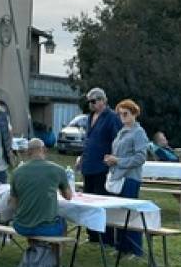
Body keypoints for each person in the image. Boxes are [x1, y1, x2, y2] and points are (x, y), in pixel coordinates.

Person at [76, 87, 122, 244]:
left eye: (94, 101)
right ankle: (92, 235)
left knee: (101, 201)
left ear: (103, 100)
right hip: (89, 165)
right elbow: (89, 140)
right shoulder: (90, 117)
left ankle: (106, 237)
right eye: (89, 102)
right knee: (88, 200)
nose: (91, 104)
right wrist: (82, 156)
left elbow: (117, 141)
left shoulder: (112, 117)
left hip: (102, 166)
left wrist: (113, 158)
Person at [104, 99, 149, 257]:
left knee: (130, 213)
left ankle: (135, 250)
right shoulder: (121, 131)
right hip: (118, 176)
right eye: (120, 114)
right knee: (119, 213)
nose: (122, 117)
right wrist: (111, 159)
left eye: (126, 113)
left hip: (130, 178)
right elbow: (120, 153)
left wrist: (118, 161)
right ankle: (121, 247)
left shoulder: (139, 132)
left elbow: (140, 158)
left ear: (134, 113)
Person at [11, 139, 72, 239]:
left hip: (21, 226)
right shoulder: (58, 170)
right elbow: (68, 197)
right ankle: (56, 253)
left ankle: (35, 249)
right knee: (62, 223)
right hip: (46, 228)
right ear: (44, 150)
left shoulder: (16, 172)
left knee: (33, 226)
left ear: (28, 152)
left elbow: (13, 204)